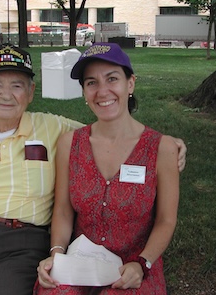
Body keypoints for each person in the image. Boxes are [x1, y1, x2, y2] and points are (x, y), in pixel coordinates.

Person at [0, 44, 186, 295]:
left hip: (17, 245)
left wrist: (168, 144)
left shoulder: (54, 128)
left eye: (17, 85)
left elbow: (112, 131)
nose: (6, 94)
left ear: (31, 91)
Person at [35, 42, 180, 294]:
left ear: (130, 83)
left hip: (134, 264)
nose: (102, 91)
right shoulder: (71, 143)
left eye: (112, 79)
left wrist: (142, 263)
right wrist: (57, 254)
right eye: (91, 83)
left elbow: (166, 220)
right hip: (79, 264)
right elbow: (63, 210)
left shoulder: (161, 148)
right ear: (84, 92)